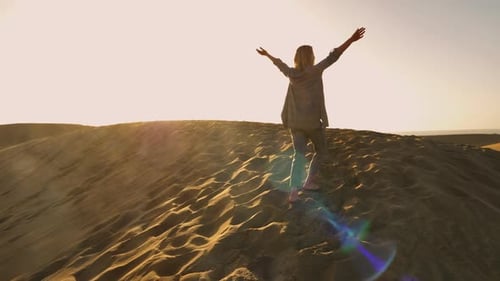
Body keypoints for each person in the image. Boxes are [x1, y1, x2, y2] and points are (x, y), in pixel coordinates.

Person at [257, 27, 366, 203]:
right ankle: (308, 182)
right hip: (313, 123)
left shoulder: (291, 74)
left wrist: (267, 54)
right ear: (311, 57)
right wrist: (351, 39)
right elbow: (334, 55)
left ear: (297, 58)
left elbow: (279, 63)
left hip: (296, 123)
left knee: (298, 156)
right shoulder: (315, 70)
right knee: (321, 151)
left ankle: (293, 191)